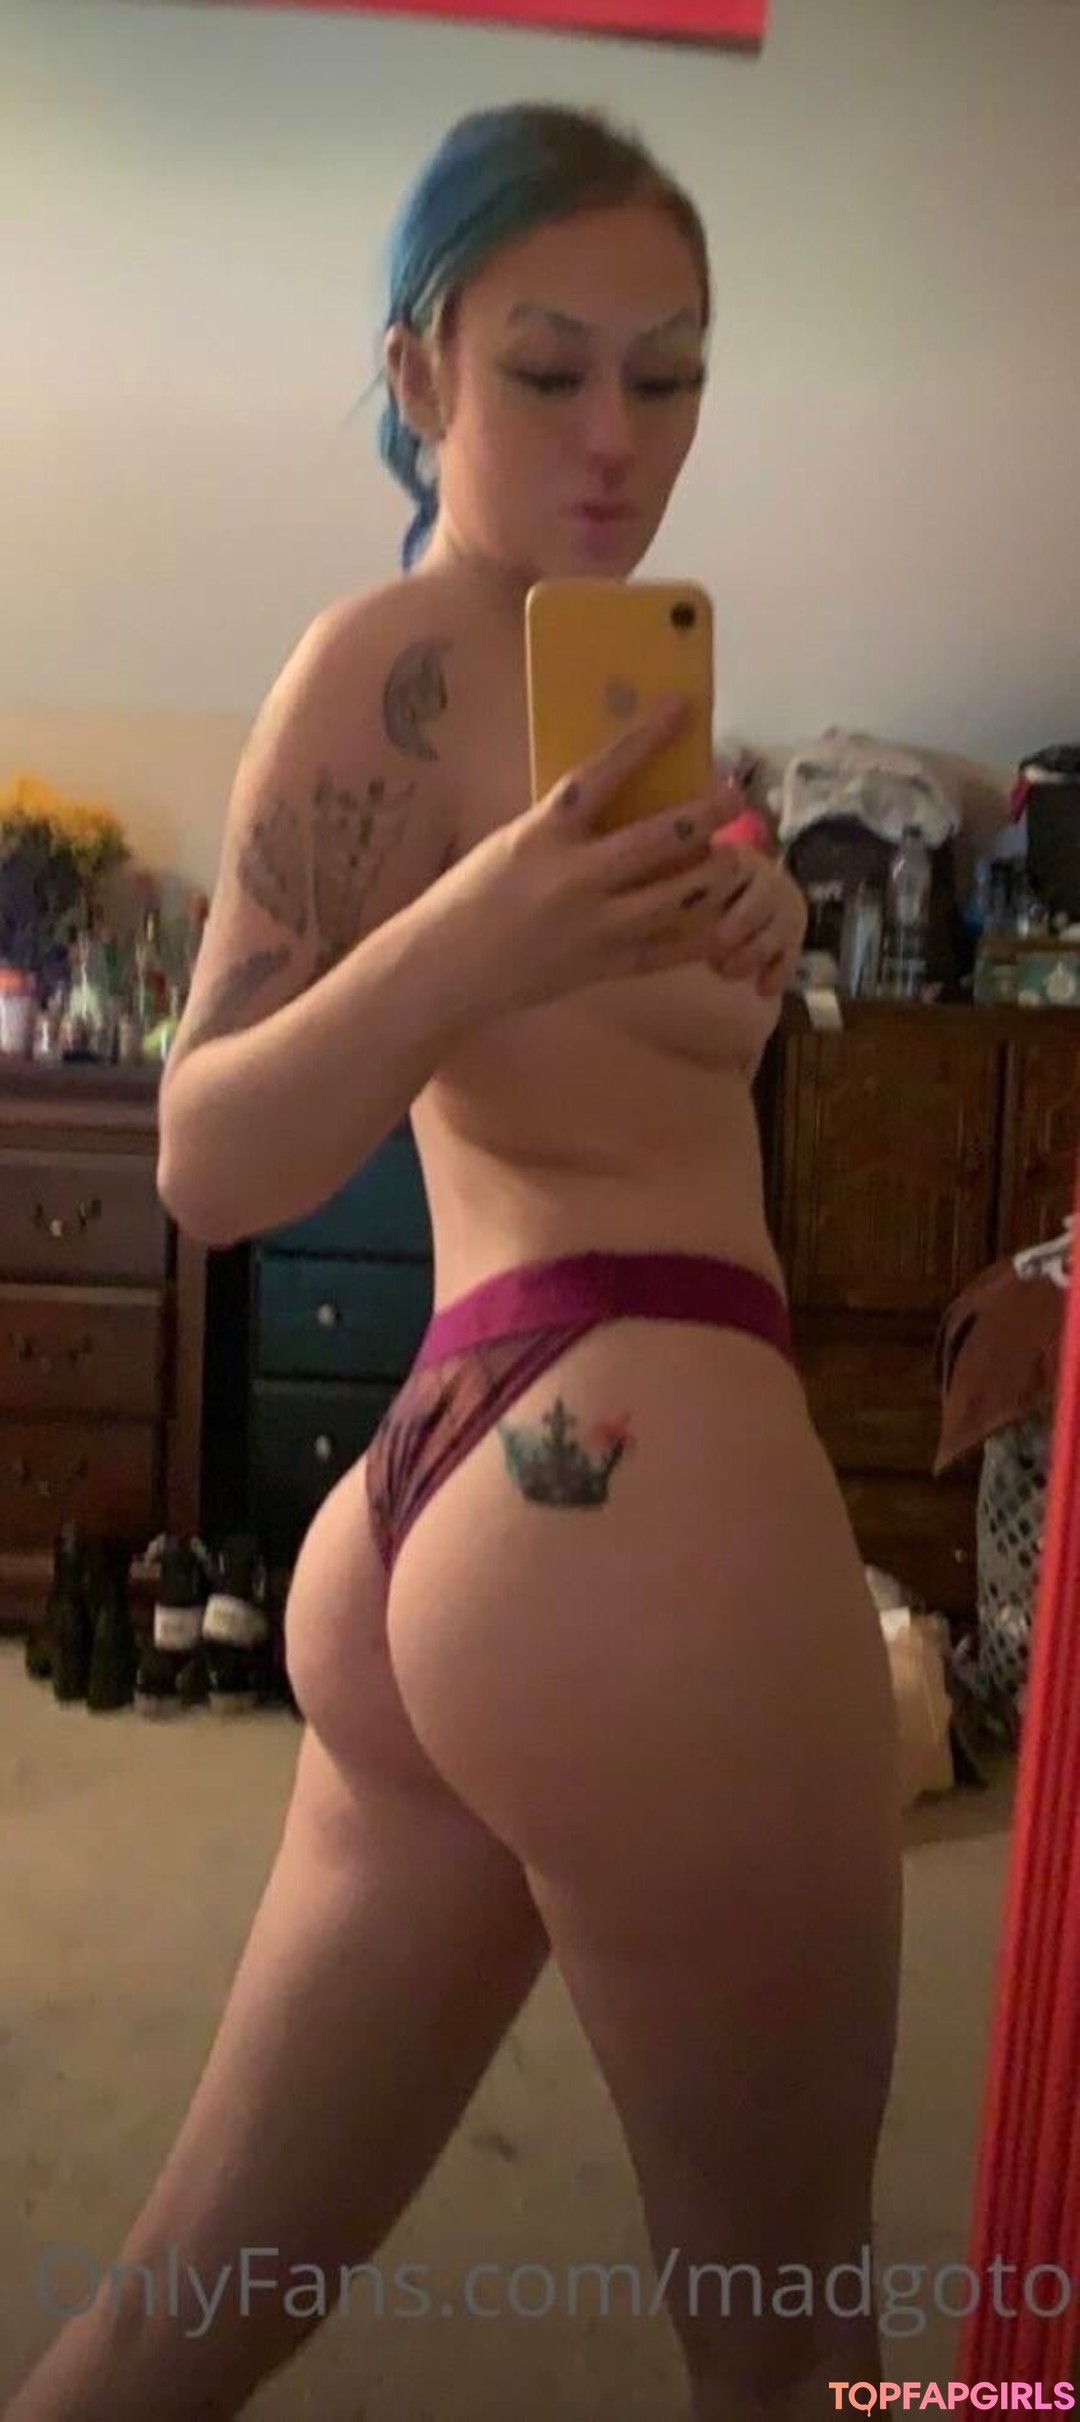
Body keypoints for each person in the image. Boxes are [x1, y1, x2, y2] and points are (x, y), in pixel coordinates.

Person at [4, 102, 903, 2422]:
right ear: (417, 372)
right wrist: (467, 935)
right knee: (812, 2363)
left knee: (181, 2312)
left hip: (461, 1516)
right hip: (629, 1498)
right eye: (549, 368)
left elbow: (621, 1065)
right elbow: (209, 1151)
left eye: (670, 376)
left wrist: (744, 922)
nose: (620, 437)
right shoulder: (383, 663)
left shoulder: (615, 683)